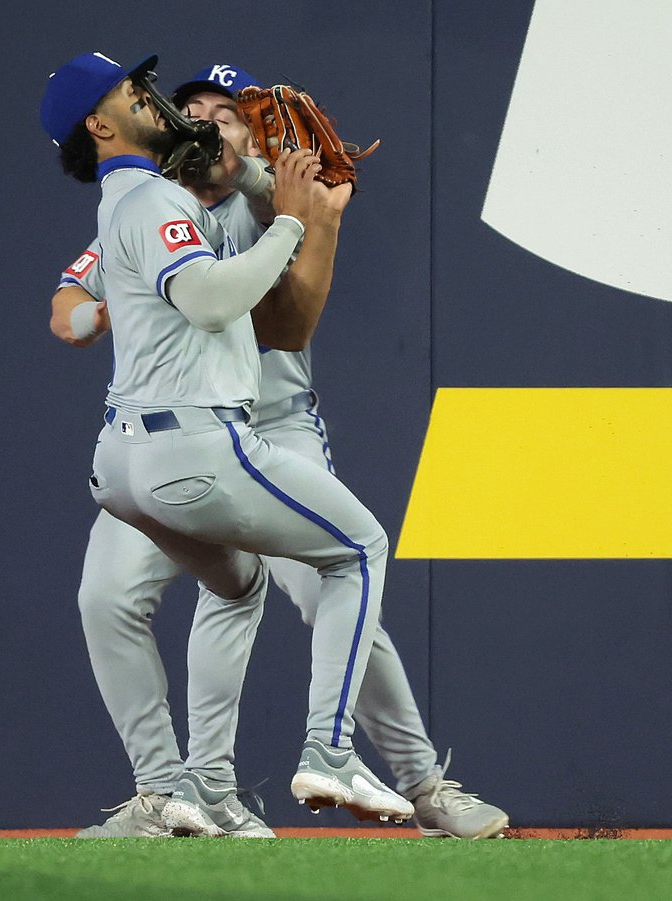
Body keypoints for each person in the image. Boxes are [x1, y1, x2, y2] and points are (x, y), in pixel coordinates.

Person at [50, 62, 509, 840]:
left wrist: (309, 217)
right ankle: (173, 795)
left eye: (225, 112)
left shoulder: (268, 206)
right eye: (188, 105)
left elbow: (287, 329)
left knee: (327, 582)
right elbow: (66, 304)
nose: (201, 118)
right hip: (179, 438)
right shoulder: (150, 204)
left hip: (269, 423)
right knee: (108, 597)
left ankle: (424, 782)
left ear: (252, 136)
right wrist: (102, 315)